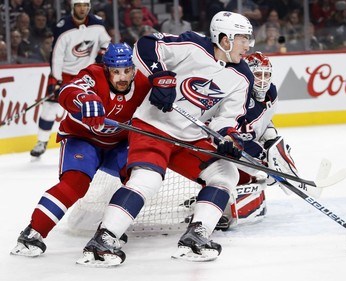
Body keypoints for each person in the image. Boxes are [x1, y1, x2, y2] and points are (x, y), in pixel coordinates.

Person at [77, 11, 255, 266]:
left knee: (226, 174)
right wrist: (160, 77)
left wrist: (229, 136)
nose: (247, 45)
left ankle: (197, 236)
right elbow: (147, 45)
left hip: (190, 138)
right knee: (147, 179)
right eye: (242, 39)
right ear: (224, 38)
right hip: (153, 127)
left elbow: (228, 118)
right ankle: (103, 239)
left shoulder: (243, 77)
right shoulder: (192, 45)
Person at [10, 42, 151, 257]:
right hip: (83, 138)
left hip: (119, 145)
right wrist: (85, 98)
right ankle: (33, 232)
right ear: (106, 70)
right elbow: (68, 91)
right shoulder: (93, 75)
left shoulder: (142, 83)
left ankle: (109, 230)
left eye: (127, 71)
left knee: (140, 177)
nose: (123, 77)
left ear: (133, 68)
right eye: (116, 72)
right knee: (75, 182)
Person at [217, 52, 299, 230]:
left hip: (248, 142)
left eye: (266, 74)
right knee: (226, 171)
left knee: (269, 167)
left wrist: (271, 138)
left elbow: (264, 121)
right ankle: (216, 198)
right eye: (258, 74)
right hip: (227, 142)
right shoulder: (236, 91)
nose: (263, 80)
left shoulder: (271, 93)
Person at [29, 0, 111, 157]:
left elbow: (106, 42)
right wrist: (56, 80)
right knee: (49, 108)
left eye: (85, 5)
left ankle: (97, 141)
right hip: (65, 74)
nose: (83, 9)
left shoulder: (97, 24)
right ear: (72, 7)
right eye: (79, 5)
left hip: (87, 74)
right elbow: (57, 55)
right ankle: (42, 141)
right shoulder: (63, 26)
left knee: (92, 107)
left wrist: (101, 54)